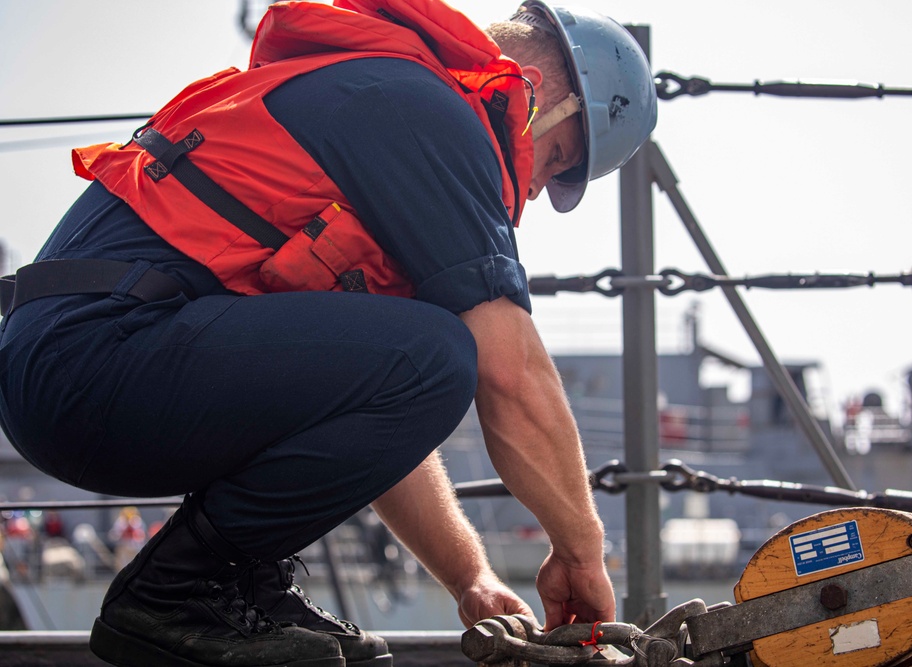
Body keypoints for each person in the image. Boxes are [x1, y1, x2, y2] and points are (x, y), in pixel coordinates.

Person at [0, 0, 657, 666]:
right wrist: (581, 552)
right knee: (440, 352)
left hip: (71, 366)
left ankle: (236, 585)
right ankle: (178, 589)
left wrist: (471, 579)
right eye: (557, 158)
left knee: (422, 354)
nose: (540, 189)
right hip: (97, 357)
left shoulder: (385, 92)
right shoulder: (427, 112)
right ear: (539, 94)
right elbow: (509, 375)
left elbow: (365, 399)